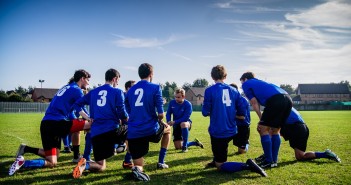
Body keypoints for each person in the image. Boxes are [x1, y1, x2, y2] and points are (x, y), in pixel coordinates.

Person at [9, 69, 92, 176]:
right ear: (82, 79)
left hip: (46, 124)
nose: (88, 83)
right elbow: (82, 108)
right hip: (56, 123)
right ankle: (83, 158)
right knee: (91, 124)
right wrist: (90, 119)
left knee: (52, 161)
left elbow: (70, 111)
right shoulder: (77, 90)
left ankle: (23, 159)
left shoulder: (65, 88)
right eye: (88, 80)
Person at [202, 65, 266, 177]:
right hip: (232, 129)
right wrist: (236, 114)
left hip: (218, 131)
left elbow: (205, 112)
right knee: (222, 150)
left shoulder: (209, 90)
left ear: (212, 77)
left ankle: (247, 165)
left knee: (220, 166)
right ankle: (217, 158)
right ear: (225, 76)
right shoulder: (234, 91)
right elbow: (242, 107)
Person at [71, 68, 128, 178]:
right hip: (112, 130)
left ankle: (84, 165)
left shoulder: (93, 92)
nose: (118, 83)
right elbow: (122, 112)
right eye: (118, 80)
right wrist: (127, 119)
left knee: (101, 166)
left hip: (96, 133)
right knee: (134, 131)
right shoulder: (117, 91)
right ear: (114, 79)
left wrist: (87, 117)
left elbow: (76, 104)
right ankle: (128, 159)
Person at [125, 63, 171, 181]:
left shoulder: (130, 91)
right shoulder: (155, 87)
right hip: (150, 129)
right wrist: (159, 120)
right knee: (168, 130)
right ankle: (161, 161)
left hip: (134, 131)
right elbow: (161, 114)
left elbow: (128, 110)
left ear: (139, 74)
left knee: (139, 164)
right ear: (151, 74)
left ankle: (136, 169)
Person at [240, 72, 292, 168]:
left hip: (276, 100)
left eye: (241, 82)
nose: (241, 84)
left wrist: (261, 118)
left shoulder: (246, 83)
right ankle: (273, 160)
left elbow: (254, 102)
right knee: (275, 130)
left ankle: (268, 160)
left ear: (245, 79)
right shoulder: (260, 82)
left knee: (262, 129)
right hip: (288, 99)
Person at [255, 107, 341, 163]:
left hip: (295, 128)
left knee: (267, 130)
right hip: (302, 128)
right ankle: (325, 154)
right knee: (300, 156)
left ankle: (268, 156)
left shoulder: (276, 105)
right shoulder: (283, 102)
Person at [166, 88, 204, 153]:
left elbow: (185, 118)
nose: (176, 99)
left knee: (183, 123)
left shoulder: (188, 104)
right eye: (175, 97)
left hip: (186, 123)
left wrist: (174, 122)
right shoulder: (172, 103)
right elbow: (168, 113)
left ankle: (185, 147)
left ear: (183, 96)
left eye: (178, 97)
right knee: (178, 147)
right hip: (176, 125)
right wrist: (169, 121)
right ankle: (195, 143)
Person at [229, 83, 251, 154]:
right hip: (235, 126)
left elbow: (242, 117)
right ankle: (245, 142)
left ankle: (246, 143)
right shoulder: (232, 100)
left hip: (243, 126)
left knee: (241, 152)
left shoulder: (242, 100)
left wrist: (230, 115)